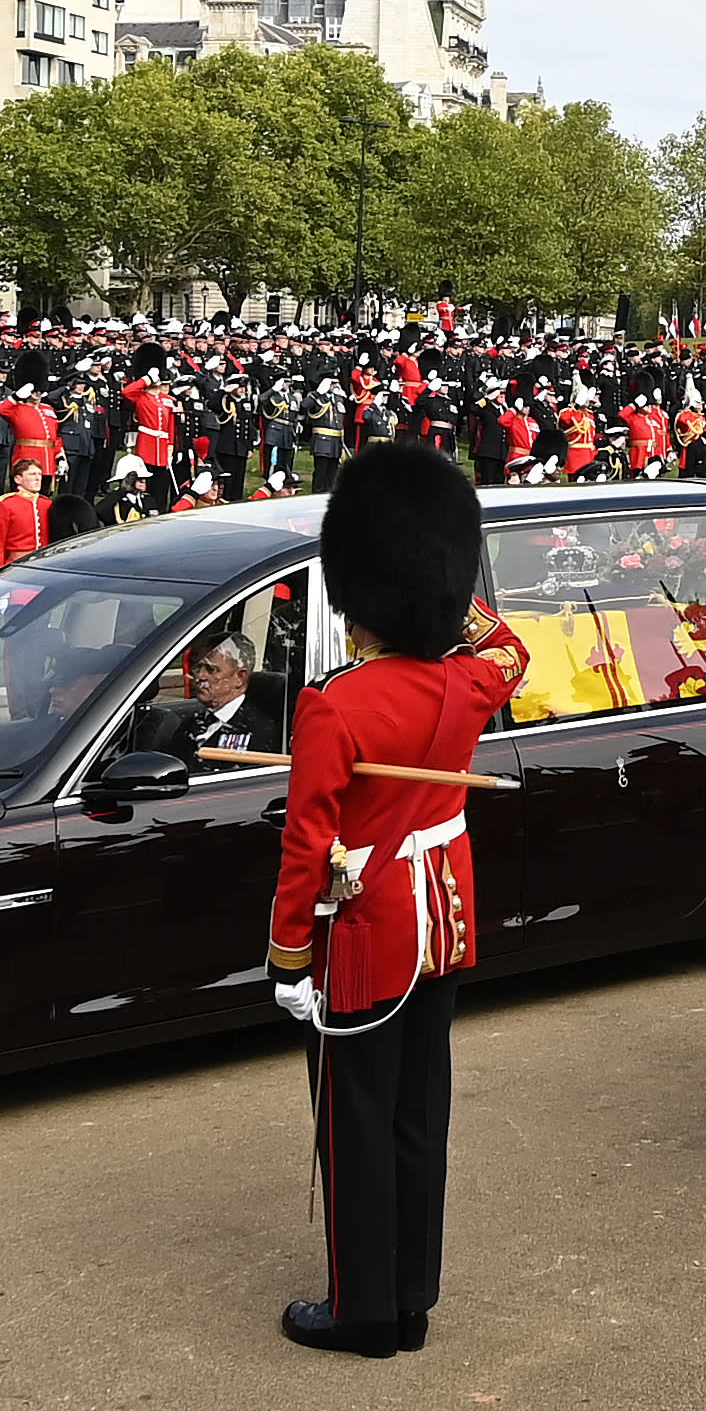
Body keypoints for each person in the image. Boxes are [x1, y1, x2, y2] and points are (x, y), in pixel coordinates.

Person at [263, 441, 519, 1358]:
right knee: (419, 1116)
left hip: (367, 933)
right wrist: (442, 595)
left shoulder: (336, 704)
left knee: (356, 1123)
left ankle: (363, 1311)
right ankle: (410, 1297)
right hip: (443, 920)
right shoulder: (466, 680)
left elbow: (305, 846)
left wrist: (289, 955)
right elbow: (505, 643)